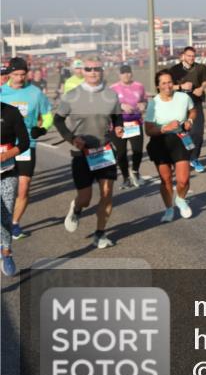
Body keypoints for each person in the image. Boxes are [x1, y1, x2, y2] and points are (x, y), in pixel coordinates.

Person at [53, 58, 124, 249]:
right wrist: (71, 138)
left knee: (107, 193)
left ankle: (100, 234)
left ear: (102, 71)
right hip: (82, 153)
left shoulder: (111, 95)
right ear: (82, 72)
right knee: (85, 199)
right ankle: (76, 208)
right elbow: (58, 121)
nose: (93, 72)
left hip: (104, 150)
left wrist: (118, 128)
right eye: (88, 69)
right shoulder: (71, 96)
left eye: (97, 69)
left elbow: (118, 117)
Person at [1, 57, 54, 241]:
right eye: (15, 74)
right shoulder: (1, 92)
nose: (19, 78)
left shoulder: (35, 93)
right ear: (9, 74)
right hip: (4, 147)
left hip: (26, 145)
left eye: (22, 74)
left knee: (23, 189)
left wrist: (43, 128)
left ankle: (14, 224)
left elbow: (48, 115)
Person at [145, 69, 197, 222]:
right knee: (166, 179)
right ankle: (168, 209)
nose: (167, 86)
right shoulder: (153, 103)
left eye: (169, 82)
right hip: (160, 142)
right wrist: (165, 128)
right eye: (163, 83)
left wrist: (190, 121)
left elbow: (192, 111)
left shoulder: (183, 97)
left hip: (181, 139)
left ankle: (180, 199)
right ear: (158, 86)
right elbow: (148, 130)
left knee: (183, 180)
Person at [169, 46, 206, 173]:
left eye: (193, 56)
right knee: (181, 133)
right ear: (183, 56)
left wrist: (201, 88)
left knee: (198, 133)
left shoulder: (200, 67)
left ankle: (194, 158)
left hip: (196, 104)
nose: (191, 58)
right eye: (189, 56)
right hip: (179, 105)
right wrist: (180, 86)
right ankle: (179, 159)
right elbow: (167, 86)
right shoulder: (174, 70)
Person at [1, 99, 30, 276]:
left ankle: (6, 251)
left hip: (7, 172)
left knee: (5, 216)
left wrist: (7, 155)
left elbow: (25, 142)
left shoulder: (11, 112)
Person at [110, 64, 148, 189]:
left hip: (135, 123)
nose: (126, 75)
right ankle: (126, 177)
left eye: (128, 72)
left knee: (137, 151)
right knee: (121, 153)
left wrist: (143, 105)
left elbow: (145, 100)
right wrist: (121, 106)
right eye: (123, 73)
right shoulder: (113, 88)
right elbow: (108, 104)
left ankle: (135, 172)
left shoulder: (139, 86)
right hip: (118, 124)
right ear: (119, 75)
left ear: (132, 73)